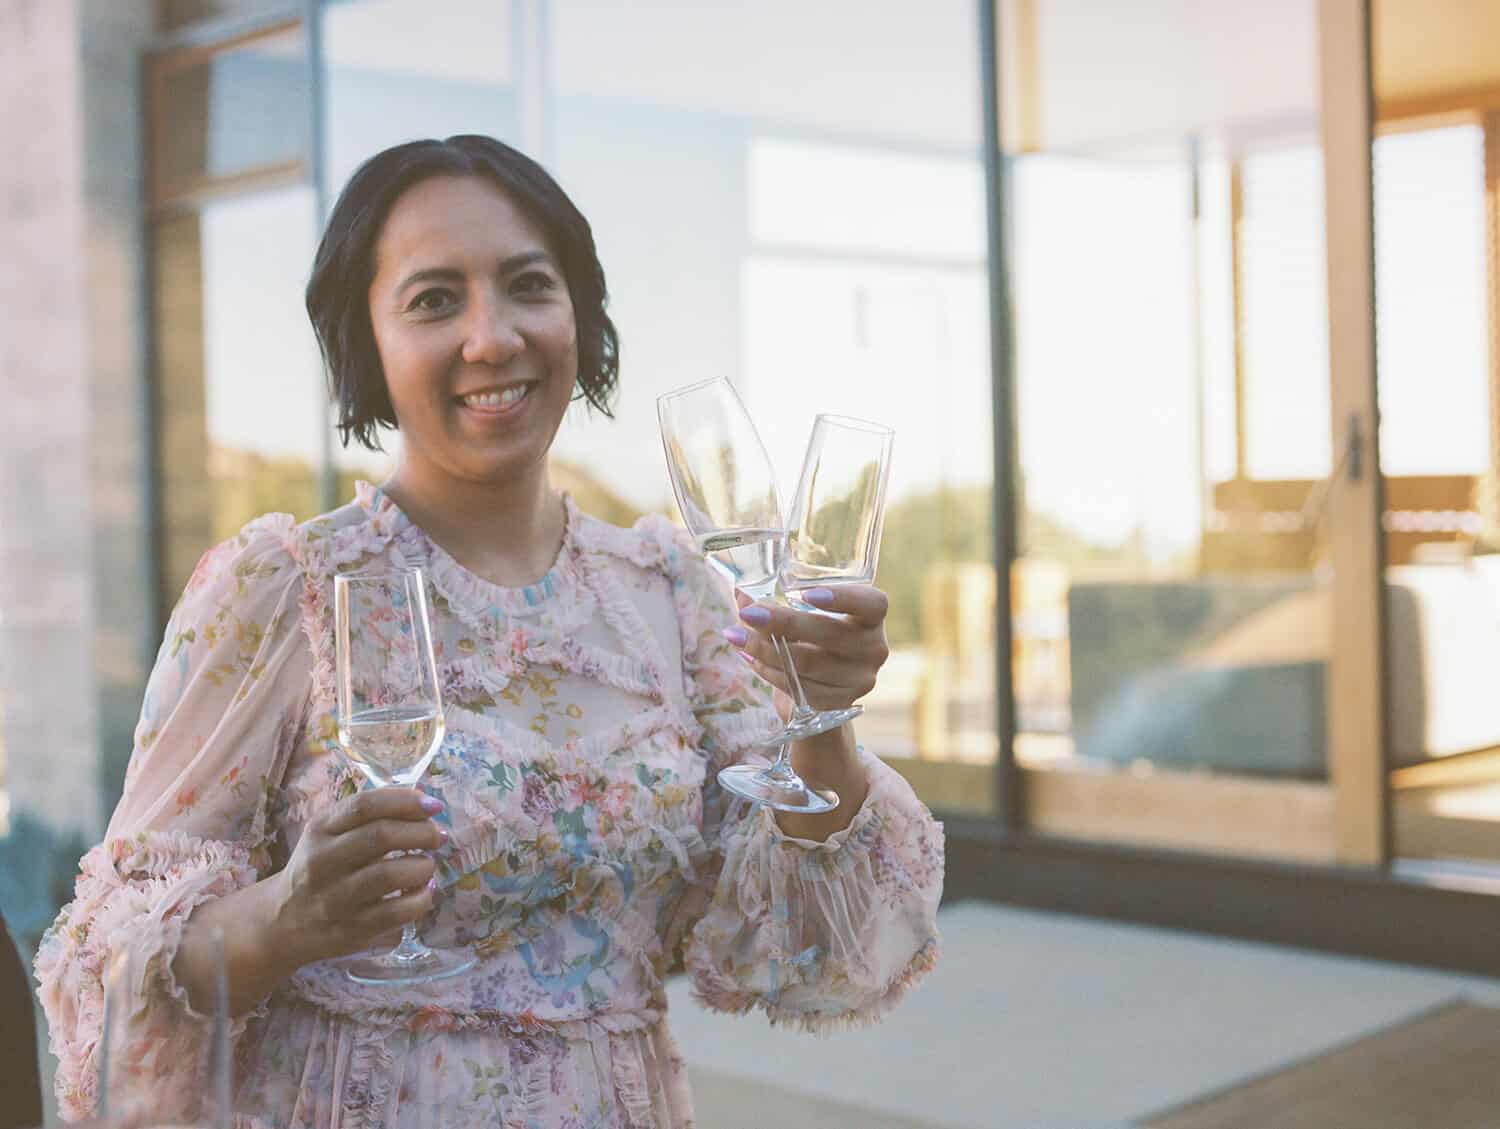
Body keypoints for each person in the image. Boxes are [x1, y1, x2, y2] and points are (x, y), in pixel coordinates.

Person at [35, 135, 944, 1127]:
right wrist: (283, 921)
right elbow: (104, 973)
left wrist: (823, 716)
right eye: (434, 300)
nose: (492, 336)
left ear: (580, 316)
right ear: (367, 345)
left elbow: (813, 937)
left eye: (527, 286)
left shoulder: (669, 594)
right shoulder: (281, 587)